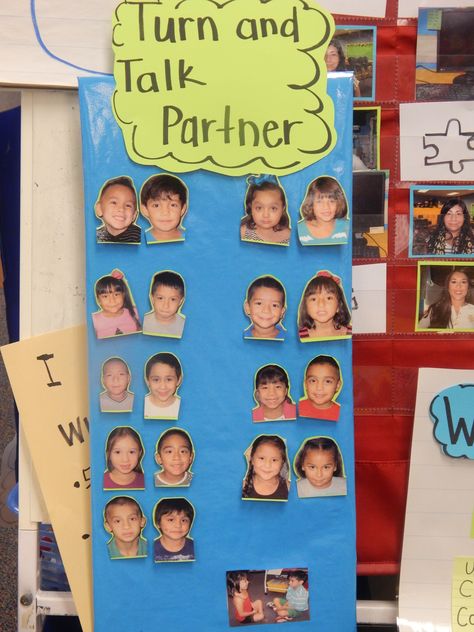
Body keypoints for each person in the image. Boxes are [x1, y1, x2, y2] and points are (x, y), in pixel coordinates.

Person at [298, 271, 351, 341]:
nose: (321, 304)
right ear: (306, 307)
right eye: (314, 299)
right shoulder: (298, 337)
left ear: (339, 305)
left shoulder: (351, 334)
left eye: (328, 298)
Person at [297, 176, 349, 246]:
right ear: (311, 204)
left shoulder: (347, 228)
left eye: (331, 201)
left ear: (339, 203)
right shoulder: (298, 230)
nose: (326, 207)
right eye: (319, 201)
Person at [240, 174, 291, 245]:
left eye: (273, 208)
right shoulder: (243, 233)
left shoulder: (291, 237)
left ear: (283, 208)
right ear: (251, 207)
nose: (266, 215)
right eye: (259, 208)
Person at [92, 270, 141, 339]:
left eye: (116, 294)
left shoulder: (135, 312)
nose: (112, 300)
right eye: (105, 296)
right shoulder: (94, 320)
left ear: (123, 295)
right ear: (98, 300)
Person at [140, 173, 188, 244]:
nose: (165, 213)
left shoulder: (194, 239)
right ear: (145, 210)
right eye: (156, 205)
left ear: (183, 209)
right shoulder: (140, 242)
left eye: (173, 205)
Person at [242, 435, 290, 501]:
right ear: (252, 459)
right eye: (262, 458)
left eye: (274, 460)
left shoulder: (288, 487)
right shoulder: (243, 485)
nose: (267, 465)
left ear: (282, 463)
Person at [95, 176, 141, 244]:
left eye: (128, 205)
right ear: (99, 209)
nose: (121, 209)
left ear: (134, 215)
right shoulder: (98, 236)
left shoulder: (138, 236)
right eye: (114, 202)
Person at [142, 270, 186, 338]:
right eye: (160, 298)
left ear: (180, 301)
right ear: (152, 298)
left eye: (173, 299)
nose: (166, 305)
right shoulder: (143, 322)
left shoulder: (184, 325)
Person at [299, 355, 342, 421]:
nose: (319, 388)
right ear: (306, 384)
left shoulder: (343, 413)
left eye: (327, 381)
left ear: (337, 385)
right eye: (313, 381)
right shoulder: (295, 409)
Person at [243, 275, 286, 341]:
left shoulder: (290, 339)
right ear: (247, 308)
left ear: (282, 312)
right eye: (259, 303)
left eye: (274, 305)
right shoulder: (240, 338)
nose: (266, 310)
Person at [153, 497, 195, 562]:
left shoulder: (195, 546)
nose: (178, 525)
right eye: (171, 520)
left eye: (184, 520)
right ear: (158, 523)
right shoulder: (151, 548)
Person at [144, 352, 182, 419]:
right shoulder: (141, 405)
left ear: (179, 380)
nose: (163, 386)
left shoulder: (183, 406)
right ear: (147, 381)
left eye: (169, 379)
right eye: (156, 380)